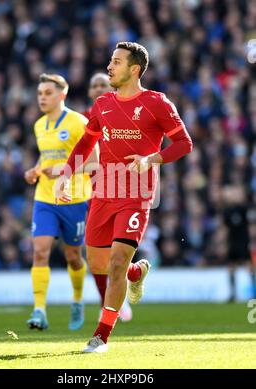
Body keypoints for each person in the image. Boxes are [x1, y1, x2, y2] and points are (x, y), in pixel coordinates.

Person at [56, 42, 193, 352]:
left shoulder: (157, 103)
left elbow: (184, 144)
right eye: (110, 61)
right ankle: (137, 271)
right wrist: (66, 174)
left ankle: (100, 336)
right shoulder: (102, 104)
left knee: (116, 263)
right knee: (100, 264)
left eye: (116, 62)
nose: (109, 67)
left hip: (136, 195)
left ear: (134, 69)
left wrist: (151, 160)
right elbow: (85, 143)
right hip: (103, 193)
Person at [24, 73, 98, 331]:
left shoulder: (79, 122)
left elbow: (93, 163)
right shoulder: (39, 126)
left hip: (74, 198)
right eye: (40, 93)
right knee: (40, 251)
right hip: (45, 198)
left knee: (73, 257)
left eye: (48, 93)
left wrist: (62, 171)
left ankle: (77, 299)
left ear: (62, 95)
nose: (42, 97)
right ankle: (39, 310)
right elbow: (45, 158)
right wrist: (34, 170)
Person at [84, 72, 132, 322]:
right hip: (90, 195)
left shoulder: (123, 115)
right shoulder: (82, 120)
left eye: (103, 83)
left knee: (117, 249)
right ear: (90, 92)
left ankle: (125, 284)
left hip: (122, 191)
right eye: (95, 85)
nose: (99, 88)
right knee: (95, 256)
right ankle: (110, 300)